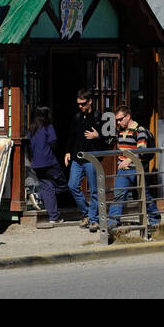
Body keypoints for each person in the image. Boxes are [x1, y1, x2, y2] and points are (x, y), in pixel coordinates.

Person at [106, 105, 160, 235]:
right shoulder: (119, 131)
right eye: (117, 120)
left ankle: (155, 219)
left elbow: (142, 149)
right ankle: (113, 222)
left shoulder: (139, 131)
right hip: (123, 170)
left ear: (128, 116)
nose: (118, 122)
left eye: (120, 119)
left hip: (137, 169)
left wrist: (129, 159)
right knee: (118, 195)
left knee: (144, 196)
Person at [64, 89, 104, 229]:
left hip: (92, 157)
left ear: (90, 102)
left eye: (83, 104)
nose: (80, 106)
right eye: (79, 104)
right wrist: (68, 151)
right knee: (72, 185)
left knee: (94, 189)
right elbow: (72, 135)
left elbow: (110, 137)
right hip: (78, 157)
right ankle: (86, 213)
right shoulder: (77, 117)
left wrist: (98, 135)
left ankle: (94, 218)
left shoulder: (99, 116)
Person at [28, 106, 69, 226]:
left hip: (36, 163)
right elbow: (53, 142)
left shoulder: (32, 129)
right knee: (63, 186)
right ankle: (40, 195)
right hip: (49, 161)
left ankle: (54, 217)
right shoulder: (47, 127)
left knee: (47, 187)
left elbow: (29, 145)